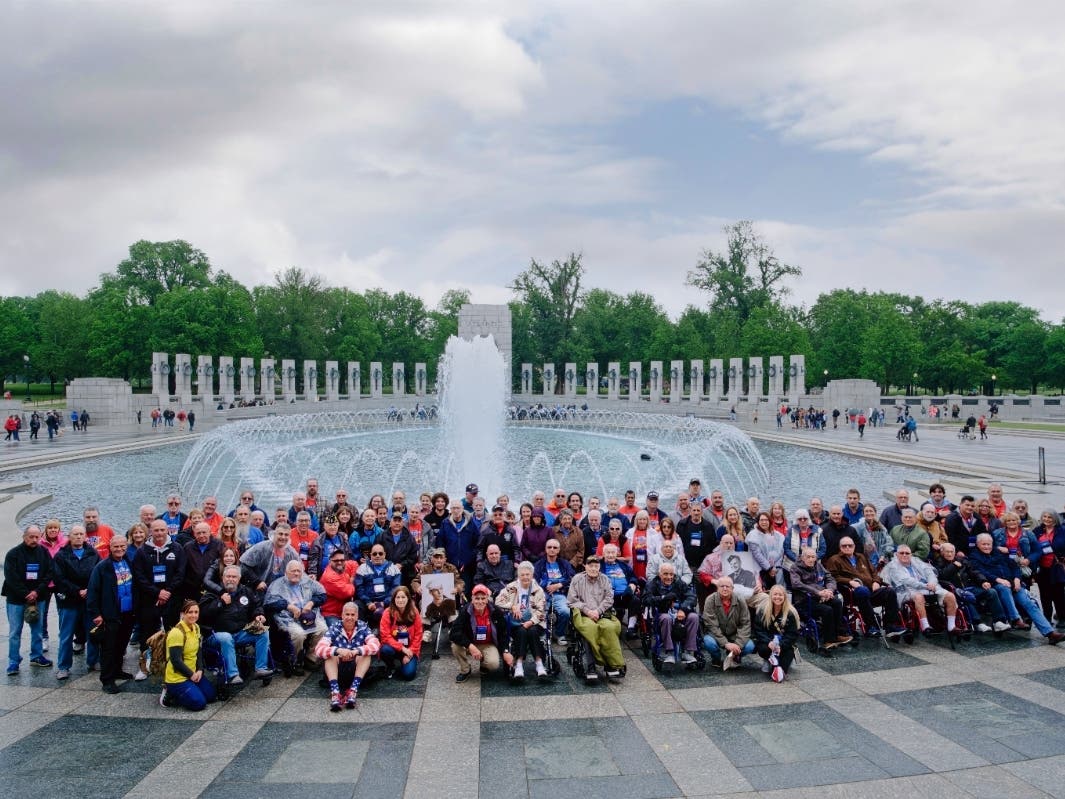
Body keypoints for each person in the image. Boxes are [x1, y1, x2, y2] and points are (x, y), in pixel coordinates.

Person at [967, 533, 1064, 644]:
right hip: (995, 584)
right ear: (978, 544)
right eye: (983, 544)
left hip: (1013, 583)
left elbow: (1014, 566)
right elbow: (981, 572)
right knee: (1004, 588)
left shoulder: (998, 552)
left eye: (989, 544)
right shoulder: (974, 556)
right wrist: (999, 580)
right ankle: (1016, 619)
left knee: (1029, 603)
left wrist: (1017, 579)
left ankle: (1050, 633)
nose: (987, 546)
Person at [131, 518, 187, 680]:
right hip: (149, 599)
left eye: (162, 530)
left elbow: (180, 573)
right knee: (147, 632)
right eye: (156, 530)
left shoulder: (177, 549)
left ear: (167, 530)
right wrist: (157, 593)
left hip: (172, 598)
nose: (160, 533)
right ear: (151, 532)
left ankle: (172, 662)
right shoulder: (142, 552)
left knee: (172, 631)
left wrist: (167, 591)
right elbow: (139, 576)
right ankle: (145, 666)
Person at [199, 565, 273, 685]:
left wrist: (258, 615)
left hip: (241, 631)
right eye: (228, 576)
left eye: (234, 577)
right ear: (223, 578)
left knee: (263, 631)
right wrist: (220, 603)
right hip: (216, 634)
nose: (231, 579)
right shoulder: (212, 592)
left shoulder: (245, 591)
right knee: (226, 638)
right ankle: (233, 674)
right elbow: (203, 613)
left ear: (239, 579)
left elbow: (256, 606)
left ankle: (261, 668)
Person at [823, 537, 904, 639]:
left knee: (890, 591)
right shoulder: (834, 559)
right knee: (862, 591)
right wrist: (849, 581)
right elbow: (832, 577)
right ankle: (871, 626)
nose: (847, 547)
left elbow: (874, 571)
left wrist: (876, 581)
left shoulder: (861, 557)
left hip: (871, 590)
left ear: (854, 546)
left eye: (850, 545)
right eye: (844, 546)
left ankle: (890, 626)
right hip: (853, 593)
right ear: (840, 547)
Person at [86, 535, 137, 693]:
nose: (120, 549)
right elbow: (93, 591)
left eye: (122, 546)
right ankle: (107, 680)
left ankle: (117, 670)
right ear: (110, 547)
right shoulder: (102, 567)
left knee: (121, 645)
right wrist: (96, 614)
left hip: (127, 612)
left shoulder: (129, 562)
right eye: (116, 547)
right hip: (110, 613)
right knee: (108, 648)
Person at [52, 524, 102, 679]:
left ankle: (93, 661)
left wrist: (89, 589)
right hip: (69, 601)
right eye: (75, 534)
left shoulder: (93, 553)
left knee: (93, 632)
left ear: (85, 536)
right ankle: (63, 666)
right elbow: (59, 578)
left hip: (89, 600)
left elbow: (98, 573)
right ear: (69, 536)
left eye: (81, 534)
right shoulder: (61, 555)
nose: (79, 537)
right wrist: (76, 590)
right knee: (66, 635)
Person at [3, 525, 53, 675]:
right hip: (16, 599)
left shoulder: (44, 552)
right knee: (15, 632)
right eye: (31, 537)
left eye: (37, 537)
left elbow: (49, 572)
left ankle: (36, 656)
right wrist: (26, 594)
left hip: (39, 597)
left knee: (37, 630)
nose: (34, 540)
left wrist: (37, 592)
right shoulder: (13, 554)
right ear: (24, 536)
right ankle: (13, 661)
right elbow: (11, 577)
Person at [567, 556, 625, 682]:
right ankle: (591, 666)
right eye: (590, 566)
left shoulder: (604, 579)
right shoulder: (577, 579)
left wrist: (597, 612)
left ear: (599, 567)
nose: (593, 568)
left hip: (601, 614)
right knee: (590, 629)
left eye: (596, 566)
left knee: (609, 628)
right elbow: (571, 600)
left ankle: (611, 664)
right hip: (583, 615)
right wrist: (588, 611)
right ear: (585, 566)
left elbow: (609, 598)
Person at [264, 561, 328, 674]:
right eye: (293, 571)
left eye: (299, 571)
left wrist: (311, 603)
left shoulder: (308, 581)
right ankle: (295, 660)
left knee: (323, 629)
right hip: (287, 618)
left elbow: (322, 595)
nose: (296, 573)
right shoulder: (277, 584)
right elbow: (268, 604)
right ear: (286, 572)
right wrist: (288, 606)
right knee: (299, 634)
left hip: (307, 616)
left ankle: (310, 658)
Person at [883, 545, 959, 636]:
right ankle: (925, 626)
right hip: (907, 590)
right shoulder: (893, 566)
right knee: (918, 597)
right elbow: (906, 580)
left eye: (907, 553)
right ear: (896, 554)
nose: (904, 555)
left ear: (911, 554)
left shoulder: (916, 561)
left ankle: (952, 627)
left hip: (928, 587)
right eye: (901, 553)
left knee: (950, 596)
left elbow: (929, 572)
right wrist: (925, 586)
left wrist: (932, 583)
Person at [316, 602, 380, 710]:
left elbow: (376, 645)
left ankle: (353, 691)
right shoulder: (334, 628)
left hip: (355, 669)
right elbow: (318, 649)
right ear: (342, 615)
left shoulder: (363, 627)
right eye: (347, 614)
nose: (349, 617)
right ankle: (335, 693)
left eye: (352, 614)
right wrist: (338, 650)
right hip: (338, 670)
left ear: (357, 616)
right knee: (330, 656)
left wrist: (356, 651)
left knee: (365, 655)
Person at [494, 562, 550, 681]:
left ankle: (539, 664)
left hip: (535, 622)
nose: (525, 577)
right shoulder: (511, 587)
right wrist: (512, 606)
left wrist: (531, 621)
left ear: (532, 575)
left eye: (527, 574)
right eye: (522, 574)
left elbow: (541, 610)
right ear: (518, 575)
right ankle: (519, 665)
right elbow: (497, 601)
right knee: (522, 631)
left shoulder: (538, 590)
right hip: (516, 623)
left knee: (532, 631)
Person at [789, 547, 851, 650]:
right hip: (804, 600)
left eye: (813, 557)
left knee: (837, 602)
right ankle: (829, 640)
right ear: (802, 558)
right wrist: (818, 592)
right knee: (827, 610)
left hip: (820, 596)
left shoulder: (818, 565)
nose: (811, 559)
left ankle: (838, 634)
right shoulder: (795, 568)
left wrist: (830, 590)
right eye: (808, 557)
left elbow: (830, 578)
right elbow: (797, 584)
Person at [160, 599, 218, 710]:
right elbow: (176, 660)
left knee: (211, 696)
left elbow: (198, 651)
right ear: (183, 614)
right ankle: (170, 692)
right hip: (177, 677)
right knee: (199, 704)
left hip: (193, 672)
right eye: (190, 612)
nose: (193, 615)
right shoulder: (177, 633)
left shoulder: (196, 627)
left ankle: (190, 689)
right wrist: (191, 675)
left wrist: (200, 670)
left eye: (196, 612)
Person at [450, 584, 514, 682]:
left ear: (487, 598)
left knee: (493, 664)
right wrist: (470, 646)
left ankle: (484, 666)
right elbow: (454, 632)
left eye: (483, 598)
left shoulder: (496, 611)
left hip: (488, 644)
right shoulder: (465, 611)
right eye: (477, 598)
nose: (480, 601)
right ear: (472, 598)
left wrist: (505, 651)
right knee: (455, 646)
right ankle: (465, 670)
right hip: (470, 643)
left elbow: (503, 633)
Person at [645, 562, 700, 670]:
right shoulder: (653, 584)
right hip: (662, 614)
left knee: (694, 617)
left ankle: (688, 651)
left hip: (680, 613)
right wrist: (664, 597)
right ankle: (669, 652)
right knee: (666, 618)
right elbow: (647, 599)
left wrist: (683, 609)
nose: (669, 577)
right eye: (665, 574)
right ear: (660, 574)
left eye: (671, 574)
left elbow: (691, 597)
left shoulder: (679, 583)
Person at [701, 575, 755, 669]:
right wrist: (726, 643)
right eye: (722, 586)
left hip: (734, 635)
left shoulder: (740, 600)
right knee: (708, 642)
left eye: (728, 586)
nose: (725, 589)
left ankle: (735, 657)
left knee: (750, 646)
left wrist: (738, 644)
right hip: (715, 635)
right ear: (717, 588)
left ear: (732, 588)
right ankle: (716, 658)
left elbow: (745, 624)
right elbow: (711, 625)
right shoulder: (710, 600)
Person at [752, 584, 800, 683]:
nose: (777, 597)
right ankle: (771, 661)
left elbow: (792, 634)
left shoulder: (791, 612)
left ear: (784, 597)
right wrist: (768, 642)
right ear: (770, 596)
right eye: (775, 594)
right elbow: (758, 630)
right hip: (768, 643)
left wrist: (781, 645)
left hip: (783, 643)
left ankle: (778, 665)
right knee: (763, 649)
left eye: (780, 595)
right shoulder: (762, 610)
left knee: (787, 657)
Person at [534, 538, 575, 647]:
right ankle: (543, 634)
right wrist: (546, 586)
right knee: (541, 611)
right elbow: (535, 581)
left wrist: (559, 585)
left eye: (555, 547)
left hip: (560, 594)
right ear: (546, 549)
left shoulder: (564, 564)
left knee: (565, 611)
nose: (552, 549)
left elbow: (572, 578)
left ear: (558, 550)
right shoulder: (539, 564)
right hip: (543, 594)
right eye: (549, 547)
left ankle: (559, 634)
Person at [378, 585, 423, 681]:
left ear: (408, 598)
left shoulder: (414, 612)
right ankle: (391, 666)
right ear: (394, 599)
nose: (400, 600)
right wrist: (402, 648)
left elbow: (419, 634)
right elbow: (385, 636)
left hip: (410, 649)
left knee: (409, 675)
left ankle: (406, 663)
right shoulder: (387, 612)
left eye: (403, 597)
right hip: (394, 647)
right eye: (398, 597)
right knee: (385, 650)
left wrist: (409, 652)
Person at [240, 524, 300, 595]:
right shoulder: (261, 548)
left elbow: (299, 571)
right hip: (258, 590)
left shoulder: (291, 553)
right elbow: (244, 566)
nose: (283, 537)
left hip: (280, 592)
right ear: (274, 534)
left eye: (286, 535)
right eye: (280, 534)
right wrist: (257, 582)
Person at [355, 544, 402, 629]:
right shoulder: (362, 568)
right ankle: (361, 631)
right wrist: (368, 602)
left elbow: (395, 588)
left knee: (400, 603)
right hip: (368, 602)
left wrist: (384, 603)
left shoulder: (394, 569)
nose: (377, 556)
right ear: (370, 555)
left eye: (380, 553)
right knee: (356, 605)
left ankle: (395, 632)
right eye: (374, 554)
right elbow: (359, 588)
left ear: (385, 554)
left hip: (387, 602)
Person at [1033, 509, 1065, 627]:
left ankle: (1062, 617)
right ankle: (1046, 617)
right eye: (1044, 516)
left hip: (1057, 567)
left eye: (1050, 517)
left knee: (1058, 594)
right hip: (1042, 567)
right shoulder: (1037, 531)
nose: (1046, 519)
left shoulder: (1062, 531)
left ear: (1055, 519)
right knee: (1045, 595)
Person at [319, 549, 358, 626]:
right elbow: (347, 593)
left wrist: (352, 576)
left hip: (343, 612)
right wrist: (351, 582)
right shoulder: (329, 577)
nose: (339, 562)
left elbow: (354, 564)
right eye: (336, 560)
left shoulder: (341, 567)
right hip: (331, 614)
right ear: (330, 561)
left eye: (342, 560)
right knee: (338, 632)